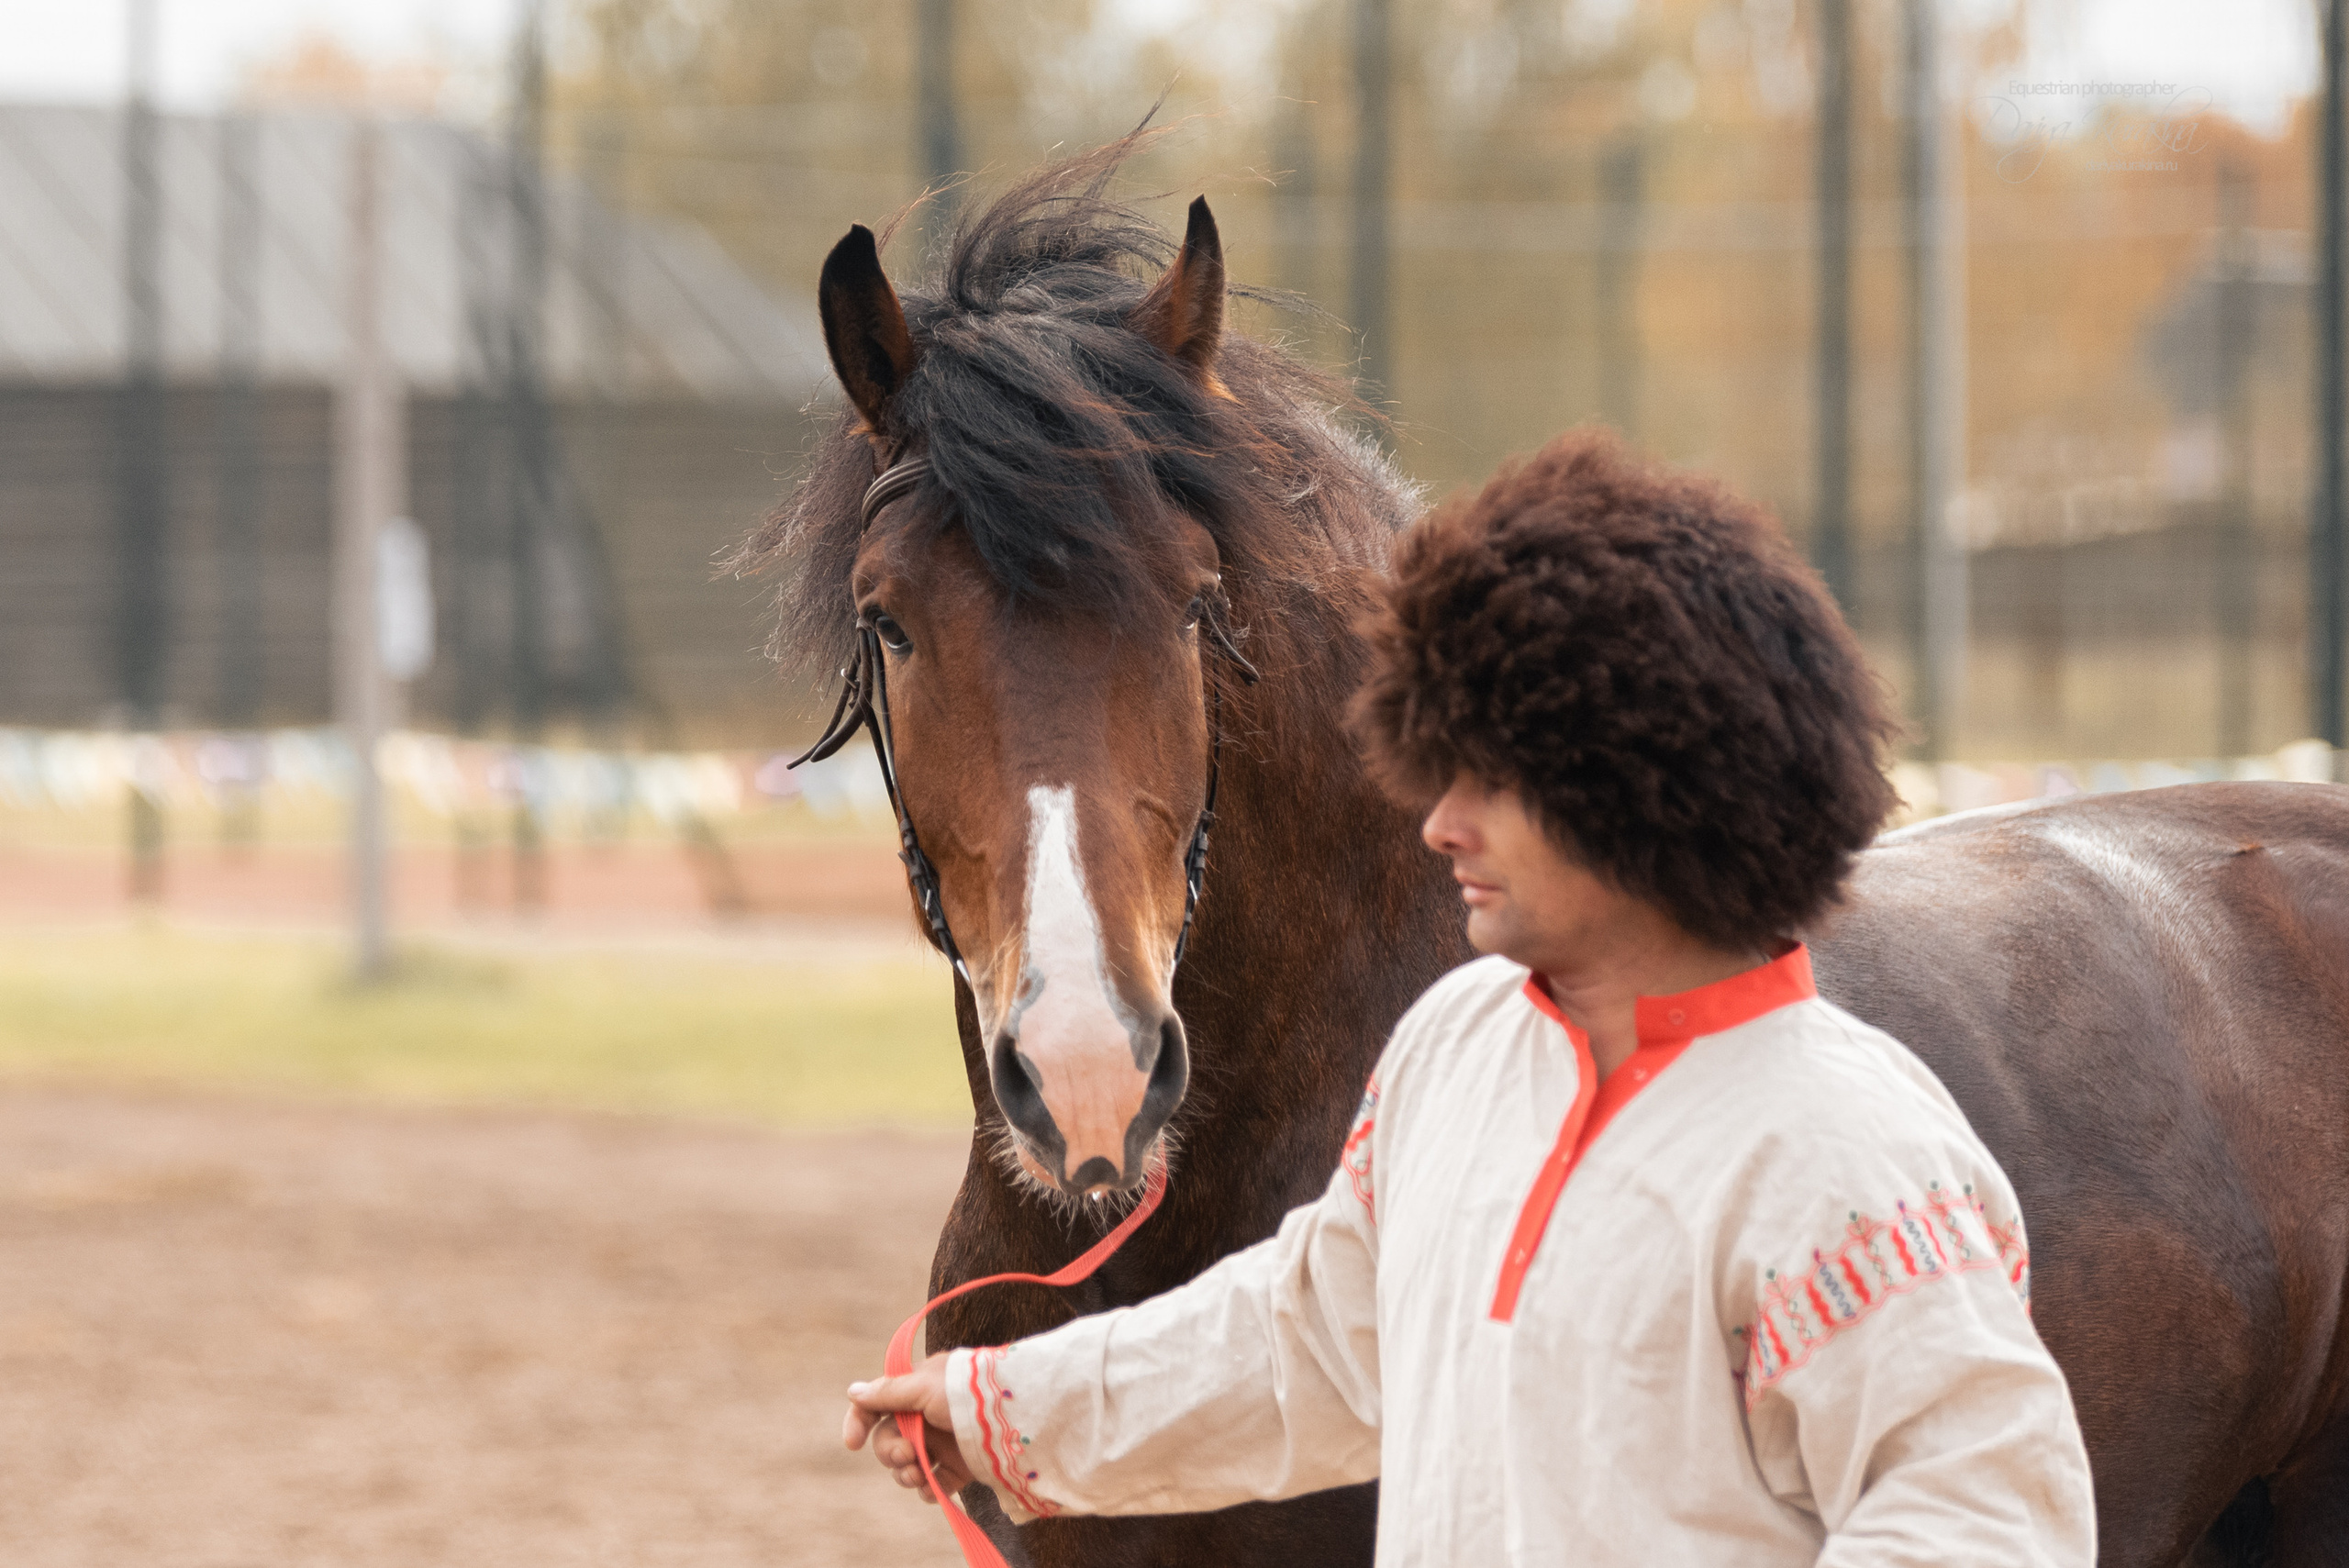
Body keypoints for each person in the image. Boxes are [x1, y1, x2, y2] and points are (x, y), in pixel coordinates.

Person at [843, 430, 2096, 1564]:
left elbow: (1981, 1526)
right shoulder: (1459, 1044)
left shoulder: (1845, 1149)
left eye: (1486, 775)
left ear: (1643, 782)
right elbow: (1320, 1339)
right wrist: (1008, 1409)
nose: (1438, 822)